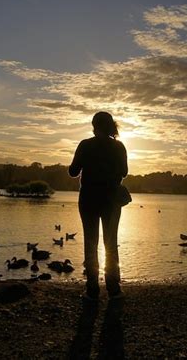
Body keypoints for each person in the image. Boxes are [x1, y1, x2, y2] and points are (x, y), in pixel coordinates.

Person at [69, 112, 128, 300]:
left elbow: (73, 172)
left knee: (90, 242)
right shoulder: (119, 147)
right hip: (111, 200)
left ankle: (92, 289)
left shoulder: (85, 145)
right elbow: (125, 172)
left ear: (94, 126)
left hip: (88, 199)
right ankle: (113, 288)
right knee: (110, 243)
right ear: (111, 126)